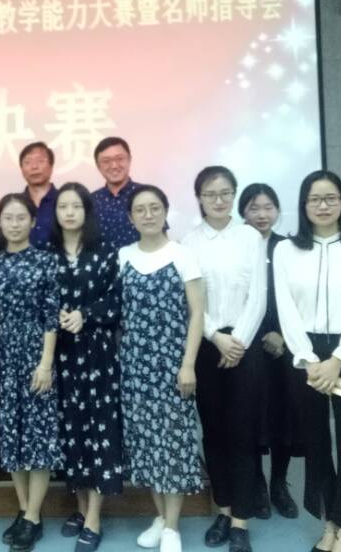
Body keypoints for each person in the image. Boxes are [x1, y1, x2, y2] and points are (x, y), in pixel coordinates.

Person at [274, 171, 341, 552]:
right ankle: (329, 524)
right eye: (314, 199)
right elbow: (286, 309)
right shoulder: (286, 252)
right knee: (316, 445)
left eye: (330, 198)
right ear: (304, 205)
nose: (323, 205)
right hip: (304, 356)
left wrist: (337, 358)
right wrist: (307, 359)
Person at [181, 166, 265, 552]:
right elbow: (192, 301)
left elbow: (258, 296)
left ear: (234, 195)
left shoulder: (250, 237)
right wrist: (216, 337)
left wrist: (239, 341)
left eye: (225, 193)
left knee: (243, 432)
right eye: (210, 194)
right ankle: (223, 509)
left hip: (244, 347)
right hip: (207, 345)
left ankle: (241, 520)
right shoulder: (189, 242)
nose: (218, 200)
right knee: (213, 432)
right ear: (199, 198)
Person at [120, 186, 205, 552]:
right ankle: (160, 517)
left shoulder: (183, 255)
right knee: (145, 444)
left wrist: (188, 364)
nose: (148, 214)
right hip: (134, 365)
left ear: (166, 212)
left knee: (172, 443)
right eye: (140, 209)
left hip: (172, 364)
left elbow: (197, 313)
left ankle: (172, 527)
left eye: (155, 208)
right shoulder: (123, 256)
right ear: (131, 217)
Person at [0, 193, 63, 552]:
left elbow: (51, 316)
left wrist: (45, 363)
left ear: (32, 222)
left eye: (20, 217)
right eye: (8, 218)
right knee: (10, 434)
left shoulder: (47, 262)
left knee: (38, 437)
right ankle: (27, 511)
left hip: (35, 356)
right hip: (4, 358)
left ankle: (32, 516)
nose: (14, 224)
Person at [49, 183, 123, 552]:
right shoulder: (47, 254)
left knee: (98, 430)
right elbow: (39, 299)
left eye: (76, 206)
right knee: (71, 432)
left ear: (86, 211)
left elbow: (118, 299)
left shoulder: (106, 252)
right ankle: (80, 508)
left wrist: (86, 314)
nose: (69, 212)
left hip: (97, 355)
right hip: (60, 355)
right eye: (63, 206)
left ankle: (94, 518)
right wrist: (57, 314)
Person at [238, 183, 301, 520]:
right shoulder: (236, 246)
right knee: (251, 417)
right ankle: (257, 485)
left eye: (268, 207)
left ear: (277, 211)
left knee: (283, 417)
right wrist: (260, 333)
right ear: (242, 212)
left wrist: (282, 336)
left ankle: (279, 484)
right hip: (247, 346)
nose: (262, 214)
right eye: (254, 208)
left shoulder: (288, 248)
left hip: (285, 348)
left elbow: (299, 297)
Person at [90, 137, 140, 249]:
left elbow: (160, 237)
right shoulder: (90, 201)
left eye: (119, 158)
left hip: (140, 260)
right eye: (106, 161)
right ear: (98, 166)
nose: (114, 166)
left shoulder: (146, 195)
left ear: (129, 160)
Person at [18, 142, 58, 249]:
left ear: (51, 167)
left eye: (40, 161)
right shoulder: (16, 204)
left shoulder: (64, 202)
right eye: (27, 162)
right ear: (21, 169)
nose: (34, 167)